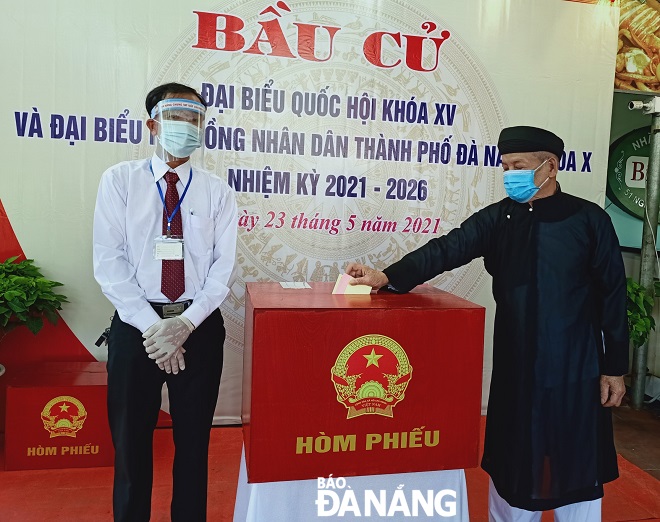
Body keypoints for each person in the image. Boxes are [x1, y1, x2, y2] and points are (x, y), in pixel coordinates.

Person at [346, 126, 628, 521]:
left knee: (576, 461)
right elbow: (447, 248)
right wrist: (387, 276)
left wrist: (614, 367)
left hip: (576, 367)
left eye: (519, 166)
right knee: (514, 460)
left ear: (551, 166)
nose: (510, 173)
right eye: (506, 166)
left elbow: (613, 294)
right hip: (518, 366)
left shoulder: (588, 220)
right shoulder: (499, 218)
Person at [93, 82, 238, 522]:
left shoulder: (218, 192)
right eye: (178, 119)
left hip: (199, 326)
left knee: (194, 446)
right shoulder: (120, 181)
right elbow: (109, 261)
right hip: (137, 329)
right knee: (132, 445)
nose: (188, 128)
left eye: (196, 120)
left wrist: (185, 325)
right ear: (153, 124)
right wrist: (153, 327)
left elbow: (222, 269)